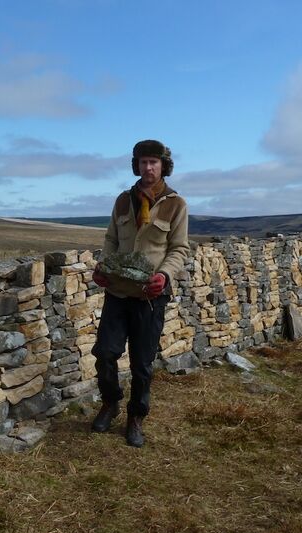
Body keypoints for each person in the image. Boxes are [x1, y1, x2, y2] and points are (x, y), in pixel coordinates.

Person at [90, 139, 190, 447]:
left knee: (142, 364)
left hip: (150, 296)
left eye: (154, 162)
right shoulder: (122, 201)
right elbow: (111, 240)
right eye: (143, 162)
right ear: (137, 165)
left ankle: (136, 417)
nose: (148, 167)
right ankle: (111, 403)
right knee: (105, 353)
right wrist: (103, 266)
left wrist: (164, 275)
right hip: (118, 293)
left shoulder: (176, 204)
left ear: (163, 166)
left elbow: (179, 249)